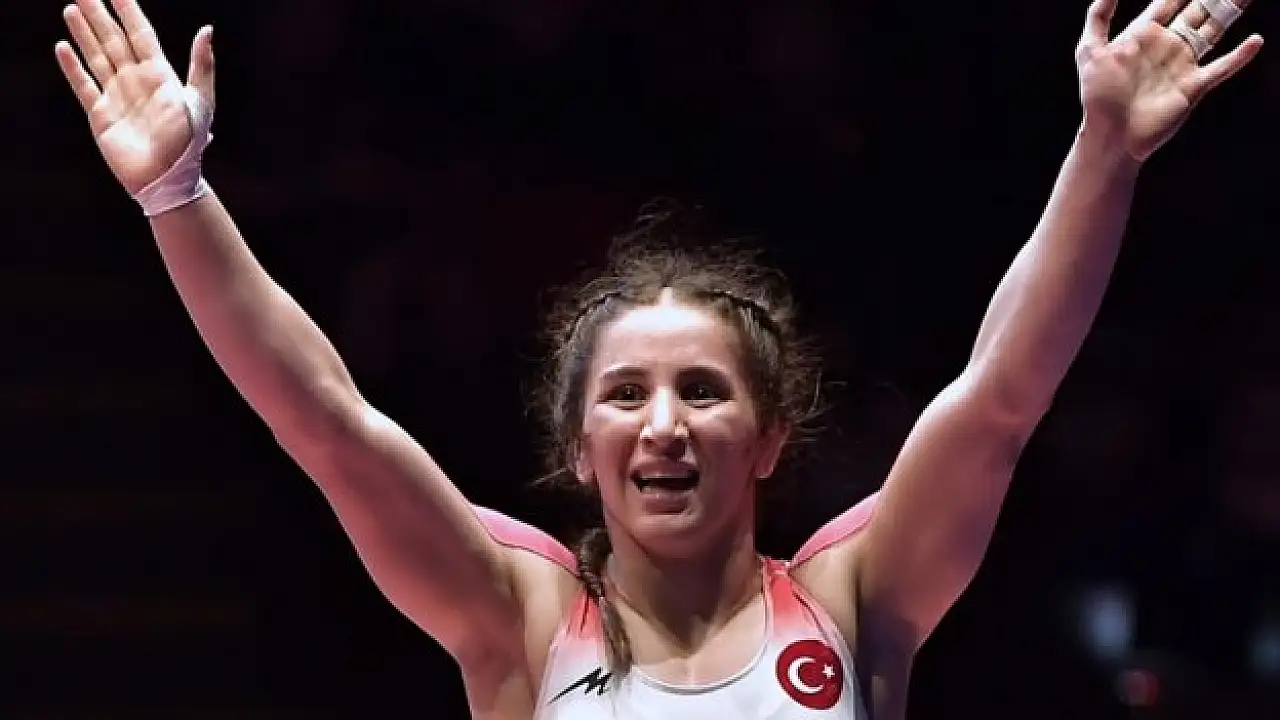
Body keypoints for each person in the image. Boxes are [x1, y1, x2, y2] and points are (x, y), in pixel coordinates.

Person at [52, 0, 1261, 717]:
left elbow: (998, 400)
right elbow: (322, 419)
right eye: (625, 394)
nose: (664, 423)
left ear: (771, 437)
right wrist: (176, 195)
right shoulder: (518, 620)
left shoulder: (854, 601)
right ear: (579, 448)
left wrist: (1103, 152)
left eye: (703, 390)